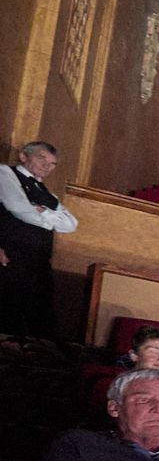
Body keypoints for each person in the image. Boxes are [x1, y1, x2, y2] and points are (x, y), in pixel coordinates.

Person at [0, 140, 78, 336]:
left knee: (41, 318)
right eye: (41, 158)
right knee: (8, 313)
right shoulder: (6, 174)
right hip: (11, 256)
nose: (47, 166)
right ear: (24, 156)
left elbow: (71, 224)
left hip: (38, 262)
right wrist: (52, 217)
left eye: (52, 164)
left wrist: (44, 212)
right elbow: (20, 209)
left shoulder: (46, 192)